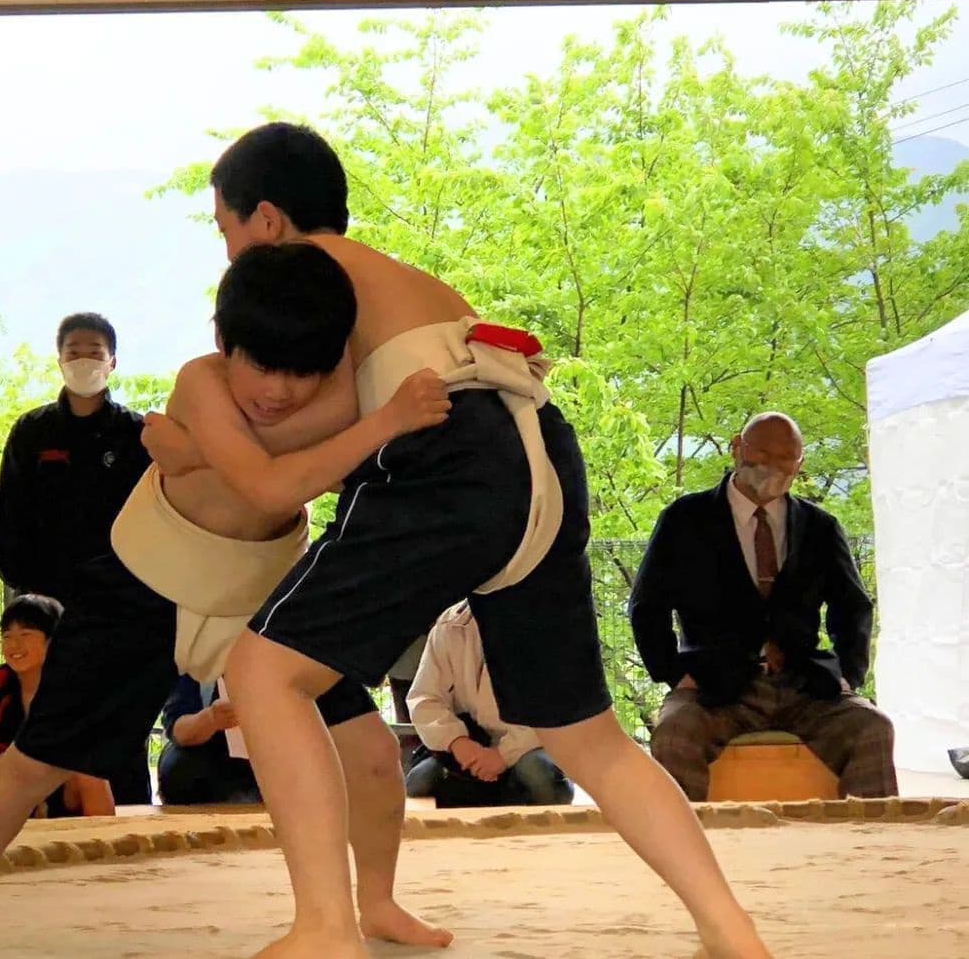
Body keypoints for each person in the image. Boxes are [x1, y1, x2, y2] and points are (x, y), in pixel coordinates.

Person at [181, 121, 767, 958]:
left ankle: (324, 928)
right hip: (539, 454)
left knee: (263, 672)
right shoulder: (406, 281)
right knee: (586, 735)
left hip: (450, 459)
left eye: (225, 229)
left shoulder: (309, 275)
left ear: (267, 220)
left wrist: (199, 432)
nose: (229, 251)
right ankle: (730, 929)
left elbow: (306, 429)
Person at [0, 242, 451, 959]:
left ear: (333, 354)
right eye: (261, 365)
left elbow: (324, 450)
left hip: (260, 589)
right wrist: (382, 420)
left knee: (368, 748)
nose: (279, 390)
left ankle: (377, 901)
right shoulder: (202, 382)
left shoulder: (347, 383)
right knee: (35, 760)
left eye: (301, 372)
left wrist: (202, 453)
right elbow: (270, 485)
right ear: (224, 342)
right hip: (145, 583)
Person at [628, 411, 897, 802]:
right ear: (737, 448)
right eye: (762, 454)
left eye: (786, 459)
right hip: (712, 686)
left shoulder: (820, 527)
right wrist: (673, 673)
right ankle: (688, 840)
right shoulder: (684, 520)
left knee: (872, 728)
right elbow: (647, 605)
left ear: (800, 464)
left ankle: (869, 837)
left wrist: (848, 674)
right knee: (674, 735)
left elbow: (853, 606)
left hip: (806, 684)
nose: (772, 467)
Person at [0, 312, 153, 806]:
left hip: (121, 599)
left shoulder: (136, 434)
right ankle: (40, 811)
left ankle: (128, 809)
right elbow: (7, 520)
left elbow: (158, 518)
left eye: (94, 352)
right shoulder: (32, 432)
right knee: (46, 710)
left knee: (119, 708)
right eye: (74, 351)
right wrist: (30, 596)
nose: (84, 360)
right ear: (59, 359)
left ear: (113, 361)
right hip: (47, 600)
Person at [0, 595, 114, 820]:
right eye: (7, 636)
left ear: (53, 641)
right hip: (4, 786)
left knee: (91, 772)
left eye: (25, 635)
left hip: (60, 786)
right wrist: (4, 762)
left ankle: (101, 838)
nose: (14, 645)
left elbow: (99, 744)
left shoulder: (78, 687)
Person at [405, 602, 573, 808]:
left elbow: (557, 709)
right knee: (419, 782)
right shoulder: (449, 625)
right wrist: (457, 742)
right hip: (470, 747)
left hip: (528, 748)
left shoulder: (545, 622)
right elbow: (424, 698)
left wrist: (503, 755)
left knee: (538, 774)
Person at [157, 675, 260, 806]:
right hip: (211, 763)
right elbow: (177, 729)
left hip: (271, 763)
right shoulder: (195, 668)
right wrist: (211, 718)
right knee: (180, 767)